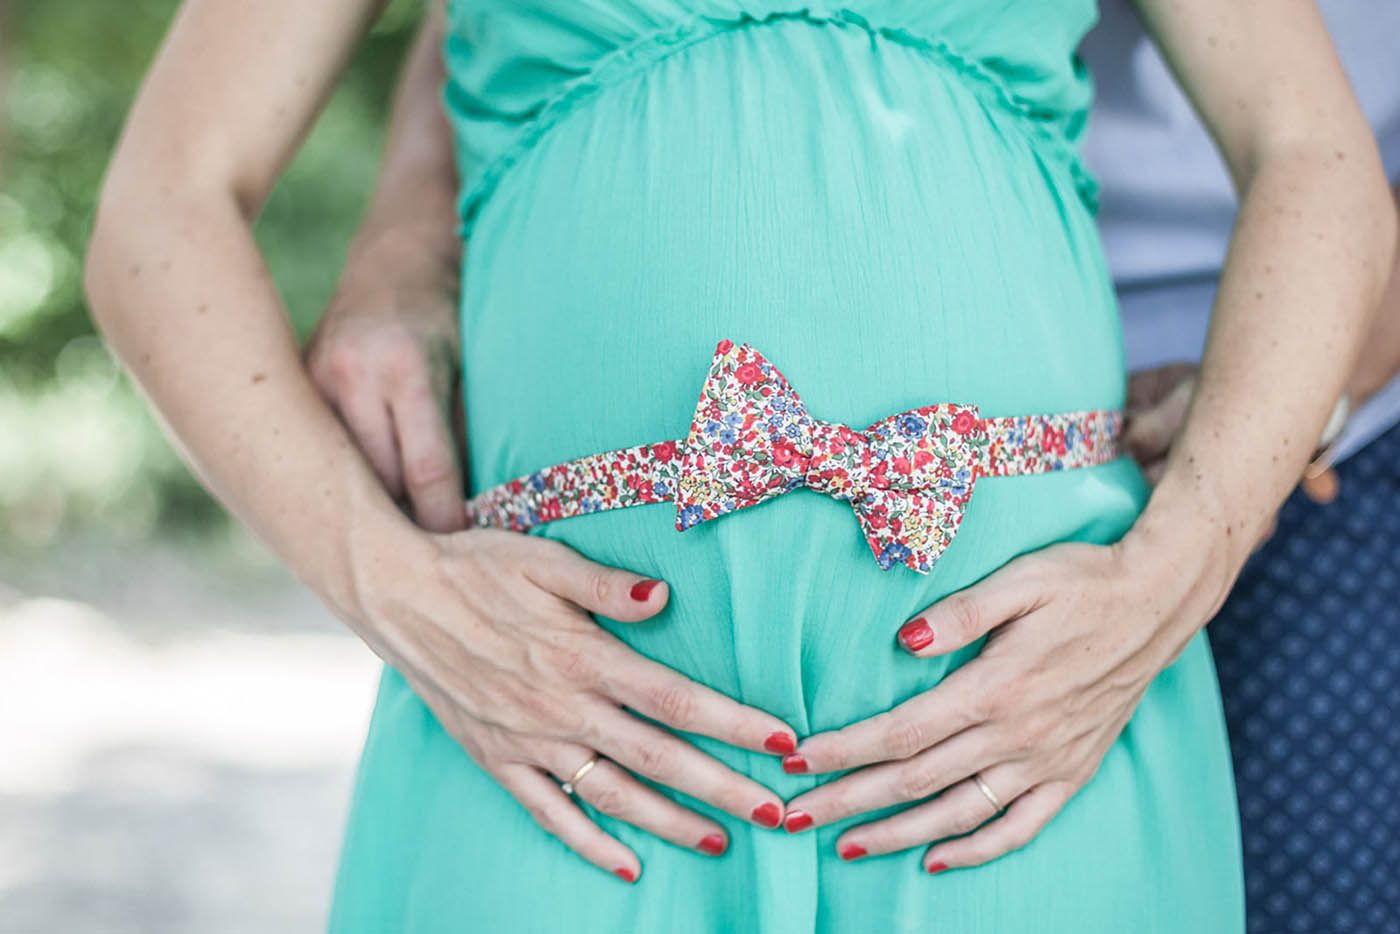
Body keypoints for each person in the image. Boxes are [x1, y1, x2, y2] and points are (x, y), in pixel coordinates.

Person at [83, 1, 1394, 931]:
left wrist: (1189, 554)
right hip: (552, 738)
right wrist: (389, 584)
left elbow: (1314, 152)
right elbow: (162, 209)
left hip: (1021, 719)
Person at [1081, 3, 1400, 931]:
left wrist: (1289, 411)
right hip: (995, 417)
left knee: (1311, 880)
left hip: (1335, 396)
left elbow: (1314, 156)